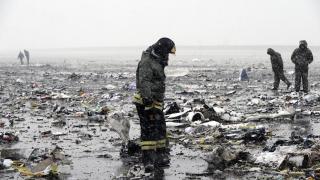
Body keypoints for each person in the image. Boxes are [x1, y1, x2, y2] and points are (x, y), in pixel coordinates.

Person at [133, 37, 176, 172]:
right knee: (149, 131)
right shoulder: (147, 62)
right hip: (146, 101)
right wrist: (148, 101)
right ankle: (148, 160)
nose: (168, 55)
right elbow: (144, 81)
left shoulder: (157, 59)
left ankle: (161, 156)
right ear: (162, 50)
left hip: (156, 100)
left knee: (160, 128)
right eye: (167, 52)